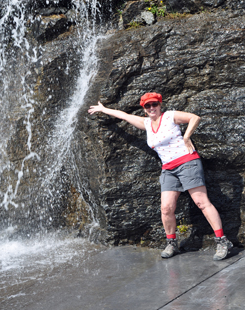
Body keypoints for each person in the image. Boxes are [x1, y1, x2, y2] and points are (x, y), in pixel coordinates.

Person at [88, 92, 233, 260]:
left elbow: (194, 118)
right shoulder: (146, 123)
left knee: (201, 202)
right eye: (147, 106)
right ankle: (172, 243)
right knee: (166, 208)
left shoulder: (170, 116)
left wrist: (186, 137)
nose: (151, 108)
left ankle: (222, 241)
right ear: (144, 109)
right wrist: (104, 109)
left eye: (154, 104)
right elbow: (124, 116)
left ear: (159, 105)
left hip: (187, 163)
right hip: (168, 169)